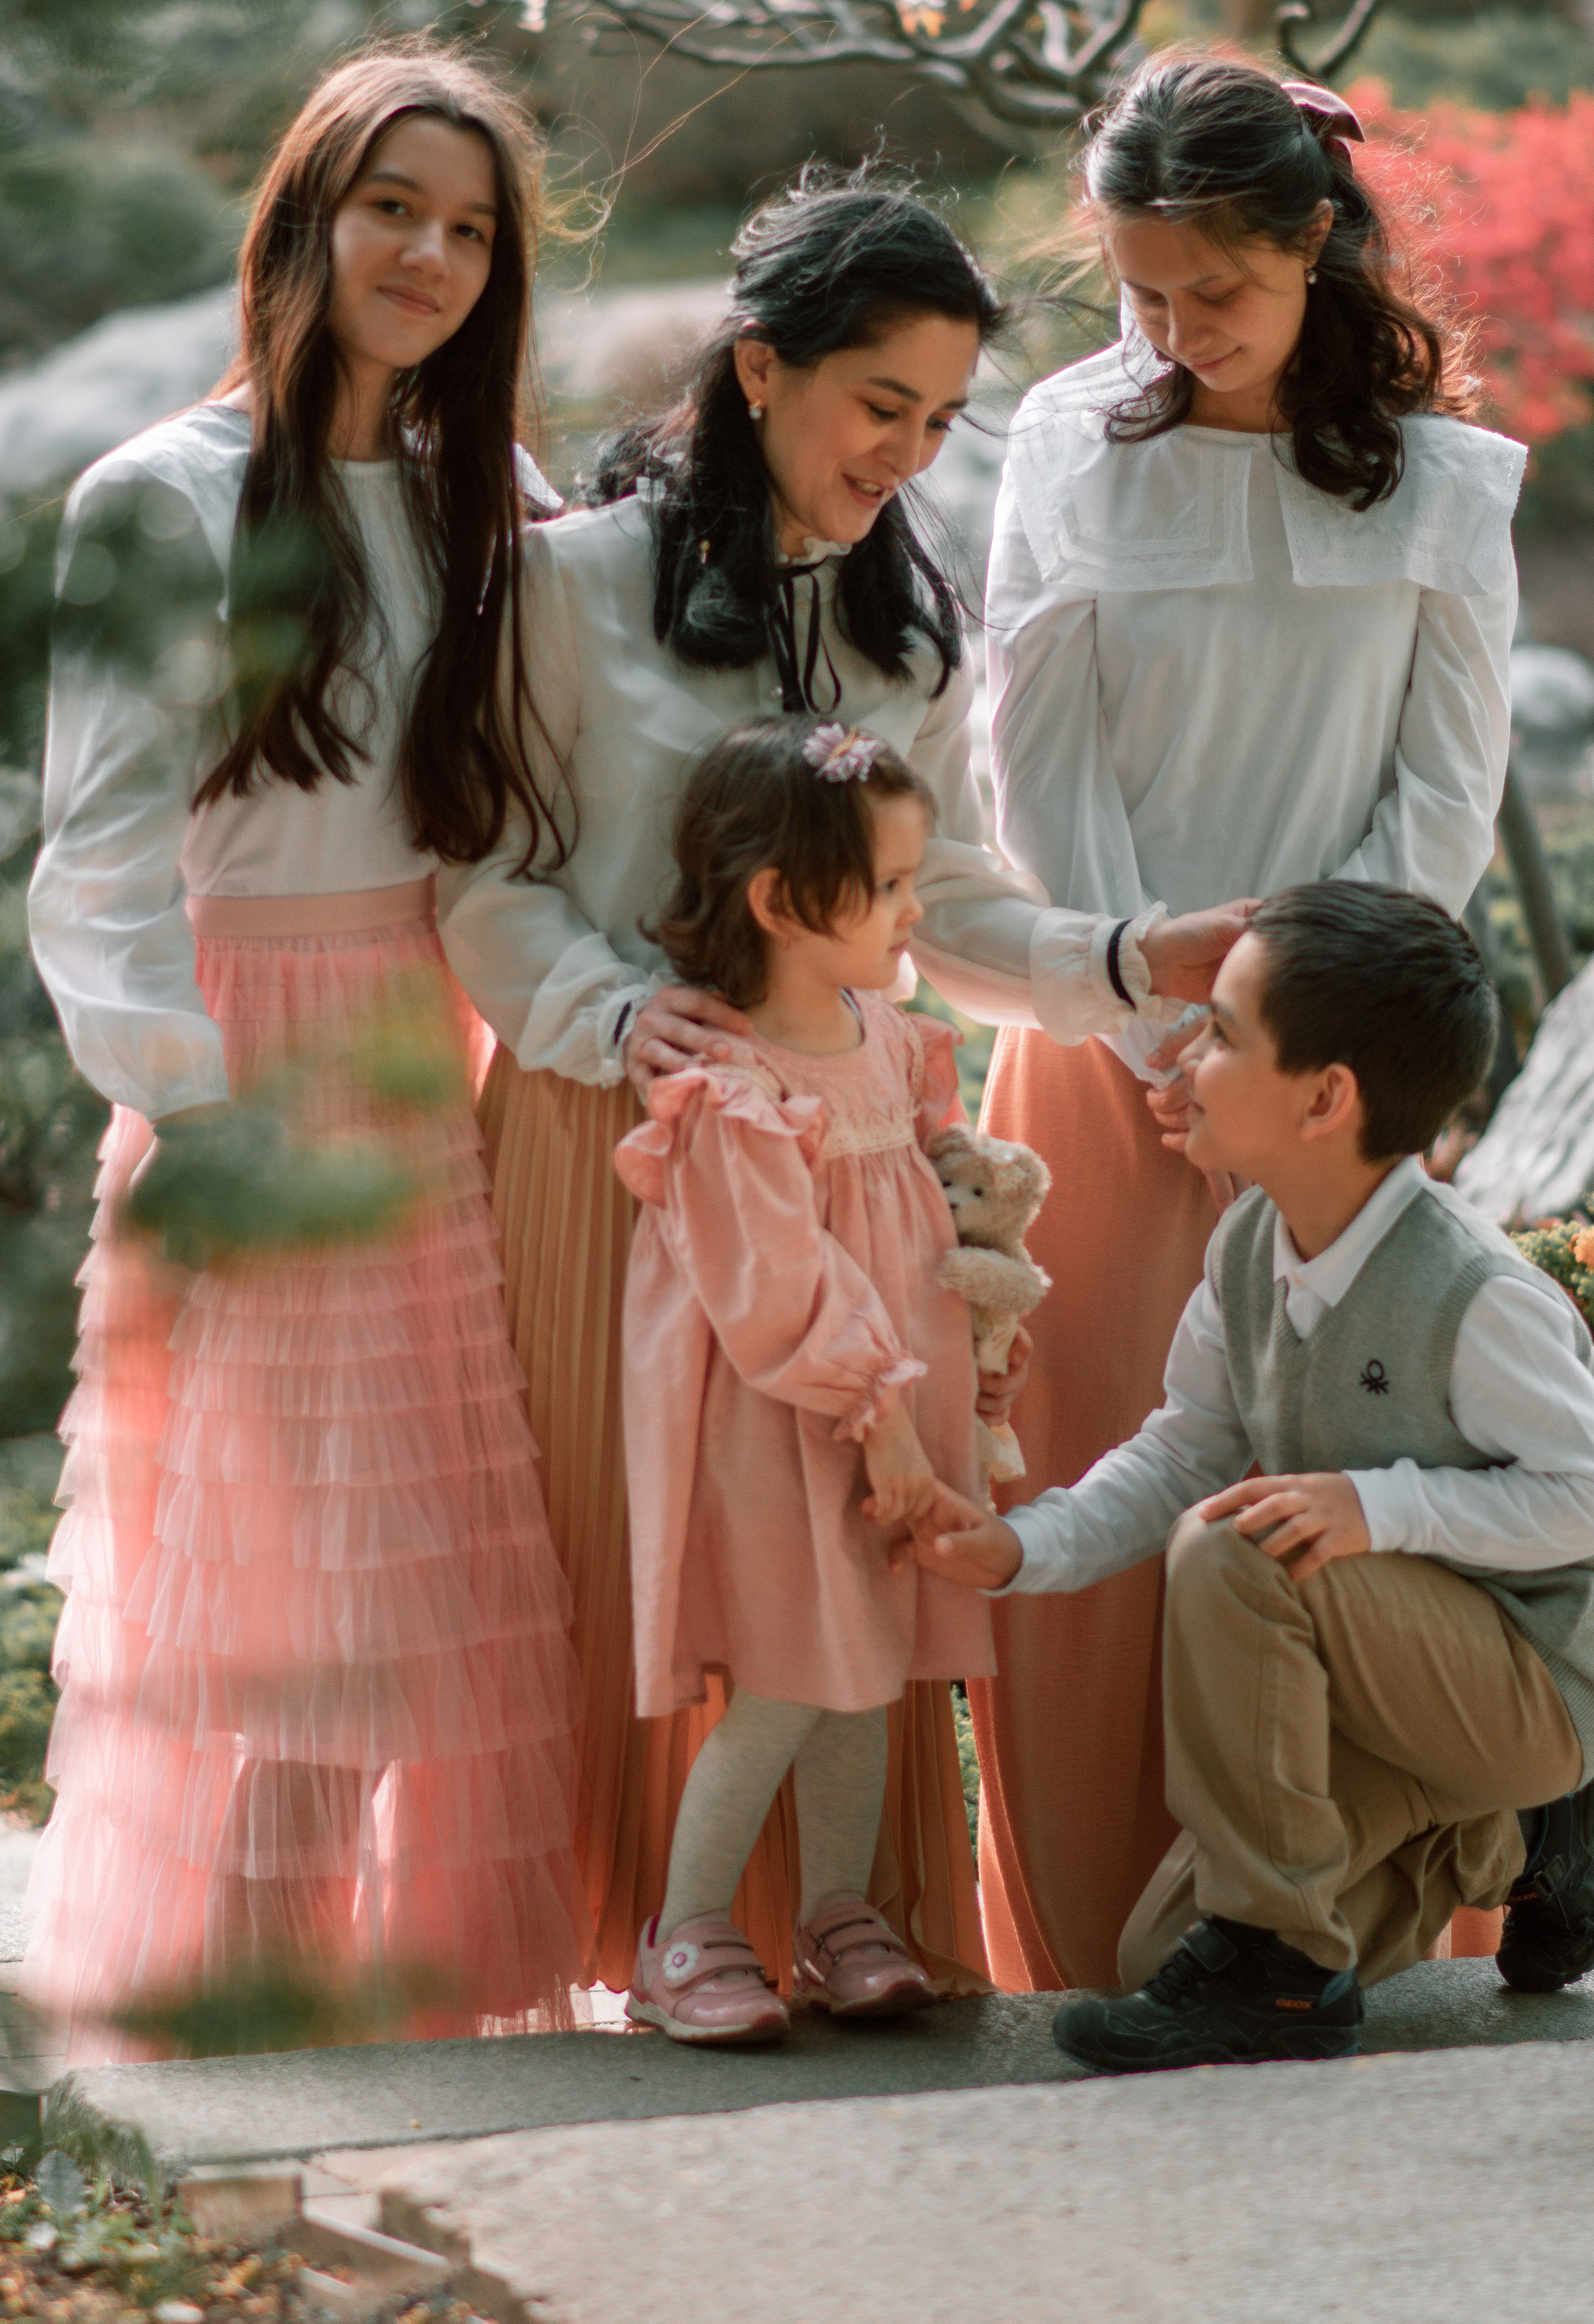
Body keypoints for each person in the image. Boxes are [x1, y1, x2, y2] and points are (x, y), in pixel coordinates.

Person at [437, 173, 1249, 1995]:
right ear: (756, 372)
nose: (907, 450)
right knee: (623, 1565)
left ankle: (839, 1917)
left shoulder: (911, 633)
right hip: (612, 1145)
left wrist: (1134, 960)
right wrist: (603, 1017)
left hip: (847, 1180)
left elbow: (946, 909)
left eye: (942, 419)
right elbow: (483, 880)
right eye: (880, 403)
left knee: (851, 1566)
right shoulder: (567, 589)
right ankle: (636, 1947)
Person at [22, 43, 586, 2054]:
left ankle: (372, 1993)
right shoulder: (161, 499)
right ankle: (252, 2014)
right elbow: (91, 863)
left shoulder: (494, 498)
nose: (429, 253)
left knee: (427, 1553)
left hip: (442, 1044)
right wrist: (195, 1102)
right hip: (246, 1055)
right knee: (269, 1560)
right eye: (392, 208)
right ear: (306, 217)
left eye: (468, 227)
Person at [970, 46, 1527, 1991]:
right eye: (1142, 295)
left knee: (1315, 1508)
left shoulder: (1448, 481)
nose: (1181, 332)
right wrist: (1148, 1000)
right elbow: (1020, 751)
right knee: (1103, 1469)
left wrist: (1293, 1036)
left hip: (1336, 1074)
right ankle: (1082, 1944)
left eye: (1221, 292)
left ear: (1318, 244)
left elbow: (1441, 800)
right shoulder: (1065, 438)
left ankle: (1323, 1924)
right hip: (1103, 1028)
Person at [911, 883, 1594, 2071]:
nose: (1185, 1052)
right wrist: (1025, 1545)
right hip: (1388, 1690)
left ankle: (1292, 1967)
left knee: (1233, 1548)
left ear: (1327, 1099)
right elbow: (1182, 1451)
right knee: (1162, 1949)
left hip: (1531, 1682)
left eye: (1223, 1033)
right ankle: (1511, 1851)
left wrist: (1378, 1506)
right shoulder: (1246, 1247)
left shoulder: (1476, 1293)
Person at [616, 719, 994, 2042]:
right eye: (888, 887)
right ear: (781, 902)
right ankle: (683, 1932)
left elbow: (928, 1177)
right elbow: (776, 1281)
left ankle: (836, 1912)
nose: (911, 909)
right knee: (788, 1672)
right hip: (796, 1420)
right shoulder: (727, 1084)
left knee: (866, 1661)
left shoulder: (881, 1035)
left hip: (894, 1408)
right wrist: (879, 1420)